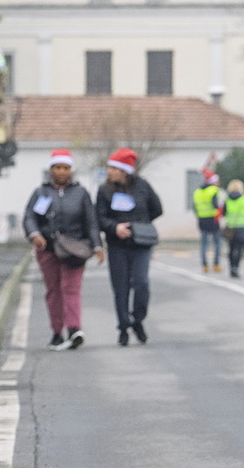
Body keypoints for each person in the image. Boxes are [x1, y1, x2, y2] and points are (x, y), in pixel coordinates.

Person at [23, 150, 103, 350]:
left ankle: (74, 329)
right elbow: (30, 217)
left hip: (74, 250)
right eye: (58, 167)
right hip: (48, 249)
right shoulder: (40, 193)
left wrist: (97, 245)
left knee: (71, 288)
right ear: (51, 169)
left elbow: (91, 222)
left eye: (66, 168)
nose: (61, 171)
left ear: (71, 170)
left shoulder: (81, 193)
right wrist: (35, 234)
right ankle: (57, 332)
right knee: (54, 290)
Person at [96, 148, 162, 346]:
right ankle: (123, 326)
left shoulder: (143, 186)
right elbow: (99, 217)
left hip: (140, 244)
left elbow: (157, 209)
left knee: (141, 283)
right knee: (121, 287)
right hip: (117, 245)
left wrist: (139, 224)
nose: (109, 171)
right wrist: (114, 227)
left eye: (113, 168)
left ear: (124, 171)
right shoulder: (104, 190)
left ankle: (138, 319)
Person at [193, 169, 225, 273]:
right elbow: (216, 205)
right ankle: (216, 265)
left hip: (202, 220)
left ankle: (204, 265)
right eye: (217, 181)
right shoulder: (214, 191)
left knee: (204, 244)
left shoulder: (197, 192)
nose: (218, 183)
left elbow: (195, 207)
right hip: (213, 220)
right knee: (217, 243)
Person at [223, 179, 244, 278]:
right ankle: (236, 267)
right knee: (239, 249)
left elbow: (224, 213)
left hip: (230, 228)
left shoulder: (227, 200)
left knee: (231, 249)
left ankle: (231, 267)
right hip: (242, 227)